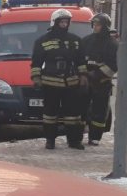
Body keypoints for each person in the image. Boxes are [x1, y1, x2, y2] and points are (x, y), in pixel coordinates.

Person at [30, 8, 88, 150]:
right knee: (50, 114)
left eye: (66, 22)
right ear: (54, 22)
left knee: (73, 115)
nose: (64, 24)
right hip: (50, 82)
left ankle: (74, 141)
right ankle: (50, 140)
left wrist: (83, 76)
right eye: (61, 22)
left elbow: (81, 61)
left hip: (71, 82)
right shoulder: (42, 41)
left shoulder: (76, 40)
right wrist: (36, 77)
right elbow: (36, 61)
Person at [81, 13, 118, 147]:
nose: (95, 27)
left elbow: (114, 64)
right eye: (94, 24)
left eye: (98, 25)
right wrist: (84, 74)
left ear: (105, 26)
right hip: (86, 82)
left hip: (102, 82)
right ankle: (78, 134)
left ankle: (95, 136)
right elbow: (79, 59)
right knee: (81, 108)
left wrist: (97, 74)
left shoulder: (113, 44)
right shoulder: (86, 41)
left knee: (100, 111)